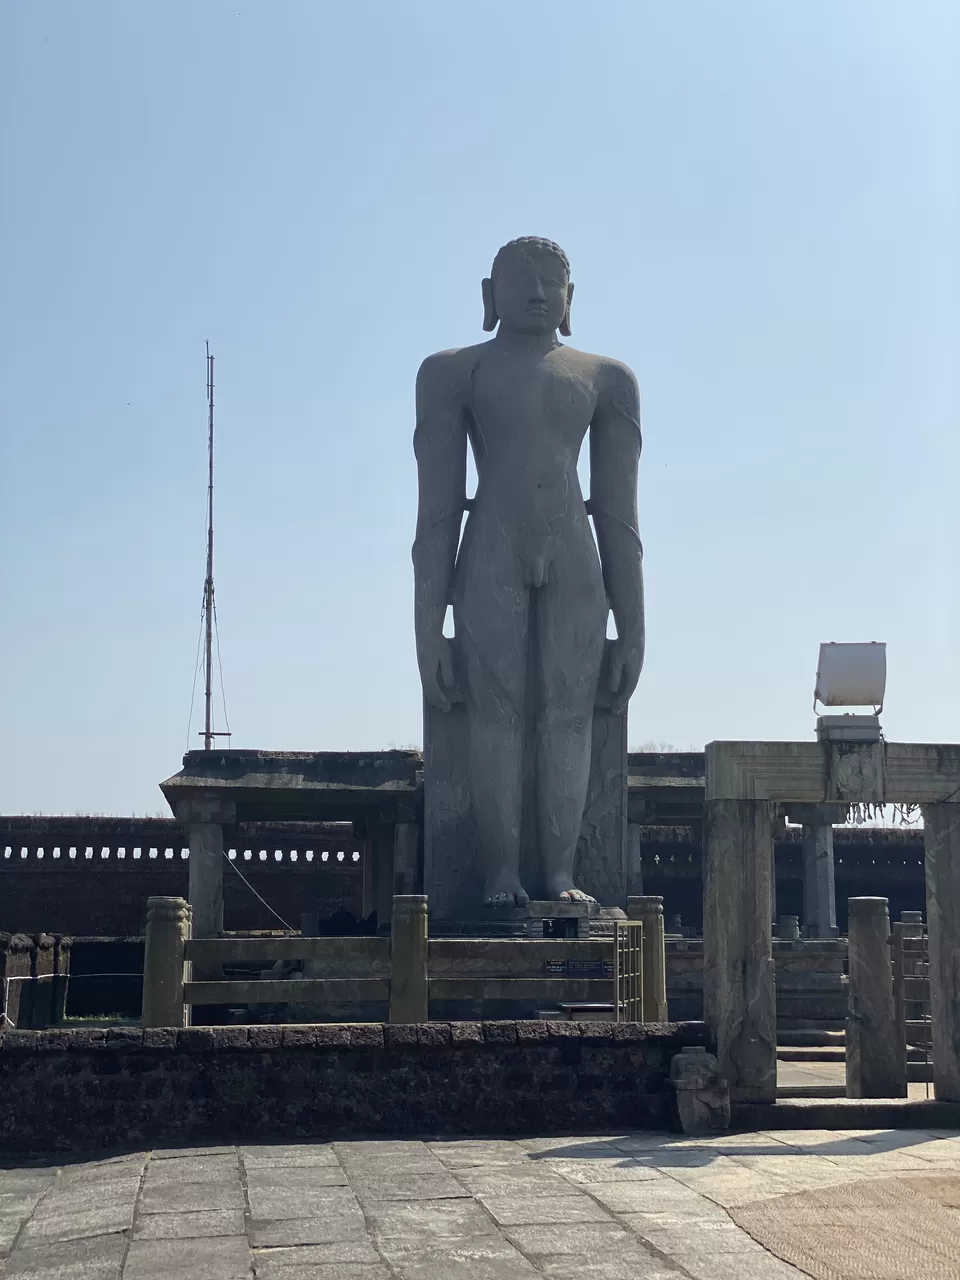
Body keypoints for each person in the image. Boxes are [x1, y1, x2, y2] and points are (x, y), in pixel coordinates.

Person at [413, 237, 644, 907]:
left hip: (574, 551)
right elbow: (435, 514)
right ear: (490, 294)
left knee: (571, 714)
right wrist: (429, 629)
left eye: (552, 280)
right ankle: (500, 875)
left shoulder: (607, 378)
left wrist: (633, 628)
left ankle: (561, 874)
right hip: (491, 545)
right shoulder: (453, 372)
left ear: (573, 298)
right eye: (520, 278)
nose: (537, 291)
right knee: (496, 713)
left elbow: (620, 519)